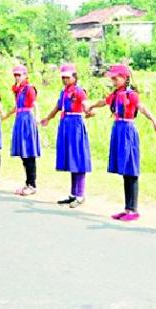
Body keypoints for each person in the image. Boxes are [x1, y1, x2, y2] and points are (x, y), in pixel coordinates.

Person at [88, 64, 156, 221]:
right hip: (118, 130)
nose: (113, 81)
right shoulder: (116, 94)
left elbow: (142, 108)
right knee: (125, 170)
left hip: (127, 130)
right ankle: (127, 208)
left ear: (125, 78)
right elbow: (104, 102)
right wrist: (91, 105)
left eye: (116, 78)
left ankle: (133, 209)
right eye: (112, 78)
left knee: (131, 169)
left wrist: (154, 120)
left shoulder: (131, 94)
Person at [41, 64, 92, 208]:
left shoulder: (79, 91)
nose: (65, 80)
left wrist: (89, 111)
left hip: (75, 125)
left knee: (78, 159)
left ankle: (80, 195)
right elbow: (58, 107)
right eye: (63, 77)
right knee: (71, 159)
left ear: (74, 77)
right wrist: (48, 118)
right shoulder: (63, 92)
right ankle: (73, 194)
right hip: (65, 125)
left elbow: (85, 104)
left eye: (67, 77)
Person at [3, 65, 41, 196]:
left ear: (25, 75)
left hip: (27, 120)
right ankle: (28, 182)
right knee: (23, 153)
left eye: (19, 75)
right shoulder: (19, 90)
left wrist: (37, 119)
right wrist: (6, 115)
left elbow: (35, 104)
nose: (17, 77)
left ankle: (32, 184)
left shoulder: (29, 89)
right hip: (20, 119)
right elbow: (16, 107)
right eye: (15, 75)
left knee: (29, 152)